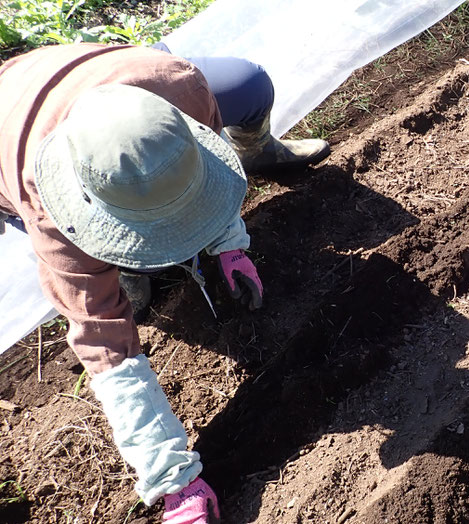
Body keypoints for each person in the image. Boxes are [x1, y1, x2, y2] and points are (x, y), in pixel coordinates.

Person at [0, 43, 330, 523]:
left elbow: (203, 166)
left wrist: (228, 242)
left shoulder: (180, 90)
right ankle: (127, 259)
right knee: (111, 286)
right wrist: (172, 480)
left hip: (99, 73)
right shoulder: (49, 211)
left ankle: (258, 150)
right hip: (10, 124)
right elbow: (106, 349)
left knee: (249, 83)